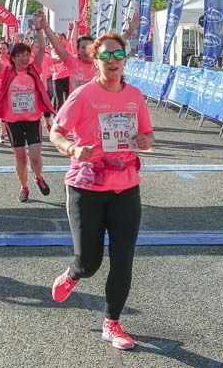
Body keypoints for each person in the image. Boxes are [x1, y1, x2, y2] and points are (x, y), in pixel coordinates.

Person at [48, 32, 155, 350]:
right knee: (90, 262)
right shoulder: (83, 95)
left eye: (118, 55)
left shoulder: (134, 96)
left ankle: (113, 322)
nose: (112, 61)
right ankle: (74, 273)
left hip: (126, 188)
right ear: (95, 61)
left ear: (125, 60)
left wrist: (146, 141)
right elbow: (56, 131)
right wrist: (71, 148)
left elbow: (148, 135)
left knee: (123, 258)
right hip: (86, 188)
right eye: (105, 55)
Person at [0, 12, 53, 202]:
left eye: (26, 55)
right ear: (12, 58)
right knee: (21, 158)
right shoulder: (6, 71)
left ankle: (38, 176)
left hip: (32, 120)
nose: (24, 58)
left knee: (35, 158)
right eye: (20, 55)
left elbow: (42, 48)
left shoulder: (34, 69)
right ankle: (24, 187)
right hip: (13, 122)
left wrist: (39, 29)